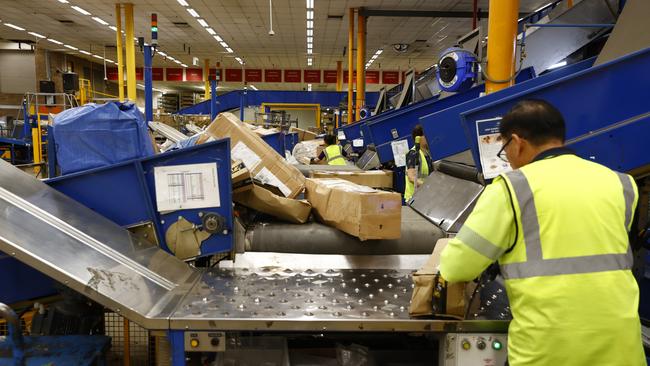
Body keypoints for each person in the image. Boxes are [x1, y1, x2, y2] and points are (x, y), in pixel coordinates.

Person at [438, 99, 645, 365]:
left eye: (504, 149)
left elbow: (456, 268)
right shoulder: (622, 183)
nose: (508, 158)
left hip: (550, 350)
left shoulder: (513, 188)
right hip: (621, 348)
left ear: (516, 142)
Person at [404, 125, 433, 201]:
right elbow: (411, 177)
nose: (428, 137)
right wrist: (427, 186)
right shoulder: (413, 154)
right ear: (419, 138)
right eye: (425, 135)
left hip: (424, 196)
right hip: (414, 198)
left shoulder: (427, 153)